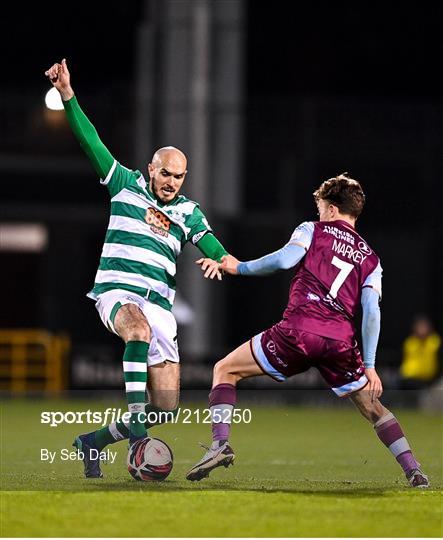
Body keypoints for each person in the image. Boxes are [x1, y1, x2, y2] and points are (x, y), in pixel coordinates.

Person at [45, 59, 227, 478]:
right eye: (166, 173)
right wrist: (69, 96)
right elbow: (91, 142)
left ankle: (91, 443)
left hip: (159, 305)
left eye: (179, 176)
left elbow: (215, 246)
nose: (172, 182)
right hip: (117, 293)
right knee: (138, 332)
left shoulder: (188, 212)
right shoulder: (125, 185)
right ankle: (138, 437)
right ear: (151, 168)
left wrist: (232, 264)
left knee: (166, 410)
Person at [188, 174, 429, 488]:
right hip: (340, 343)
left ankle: (220, 445)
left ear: (330, 208)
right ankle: (413, 470)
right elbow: (371, 311)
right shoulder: (371, 259)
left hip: (299, 332)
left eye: (320, 208)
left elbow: (283, 260)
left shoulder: (312, 229)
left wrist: (238, 266)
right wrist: (369, 366)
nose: (319, 214)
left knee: (224, 369)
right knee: (372, 406)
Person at [400, 314, 441, 389]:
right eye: (420, 327)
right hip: (411, 377)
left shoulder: (434, 341)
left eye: (424, 327)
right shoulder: (410, 342)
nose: (422, 330)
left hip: (429, 378)